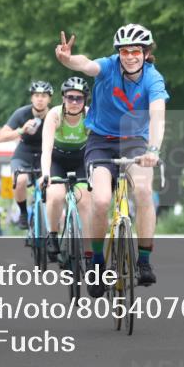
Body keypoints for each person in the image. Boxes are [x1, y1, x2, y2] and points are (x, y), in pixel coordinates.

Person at [55, 24, 168, 293]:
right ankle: (96, 263)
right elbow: (87, 65)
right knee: (102, 199)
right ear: (119, 53)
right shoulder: (108, 66)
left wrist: (153, 150)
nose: (130, 56)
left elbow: (157, 115)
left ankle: (143, 261)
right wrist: (69, 60)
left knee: (142, 191)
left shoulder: (153, 78)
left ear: (146, 53)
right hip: (101, 142)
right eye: (125, 51)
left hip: (135, 141)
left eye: (136, 51)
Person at [40, 76, 93, 263]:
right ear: (63, 98)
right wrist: (45, 174)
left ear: (85, 100)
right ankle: (52, 236)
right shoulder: (54, 115)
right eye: (70, 97)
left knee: (85, 200)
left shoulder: (89, 116)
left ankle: (88, 253)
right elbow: (46, 149)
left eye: (79, 98)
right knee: (55, 195)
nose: (74, 102)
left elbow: (95, 147)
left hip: (80, 160)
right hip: (57, 160)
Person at [0, 82, 53, 231]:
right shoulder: (21, 113)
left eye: (43, 96)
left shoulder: (54, 114)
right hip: (24, 153)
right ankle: (23, 212)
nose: (40, 99)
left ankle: (51, 221)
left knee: (52, 185)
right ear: (31, 98)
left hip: (46, 153)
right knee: (20, 179)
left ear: (49, 99)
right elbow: (2, 136)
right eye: (36, 96)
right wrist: (21, 131)